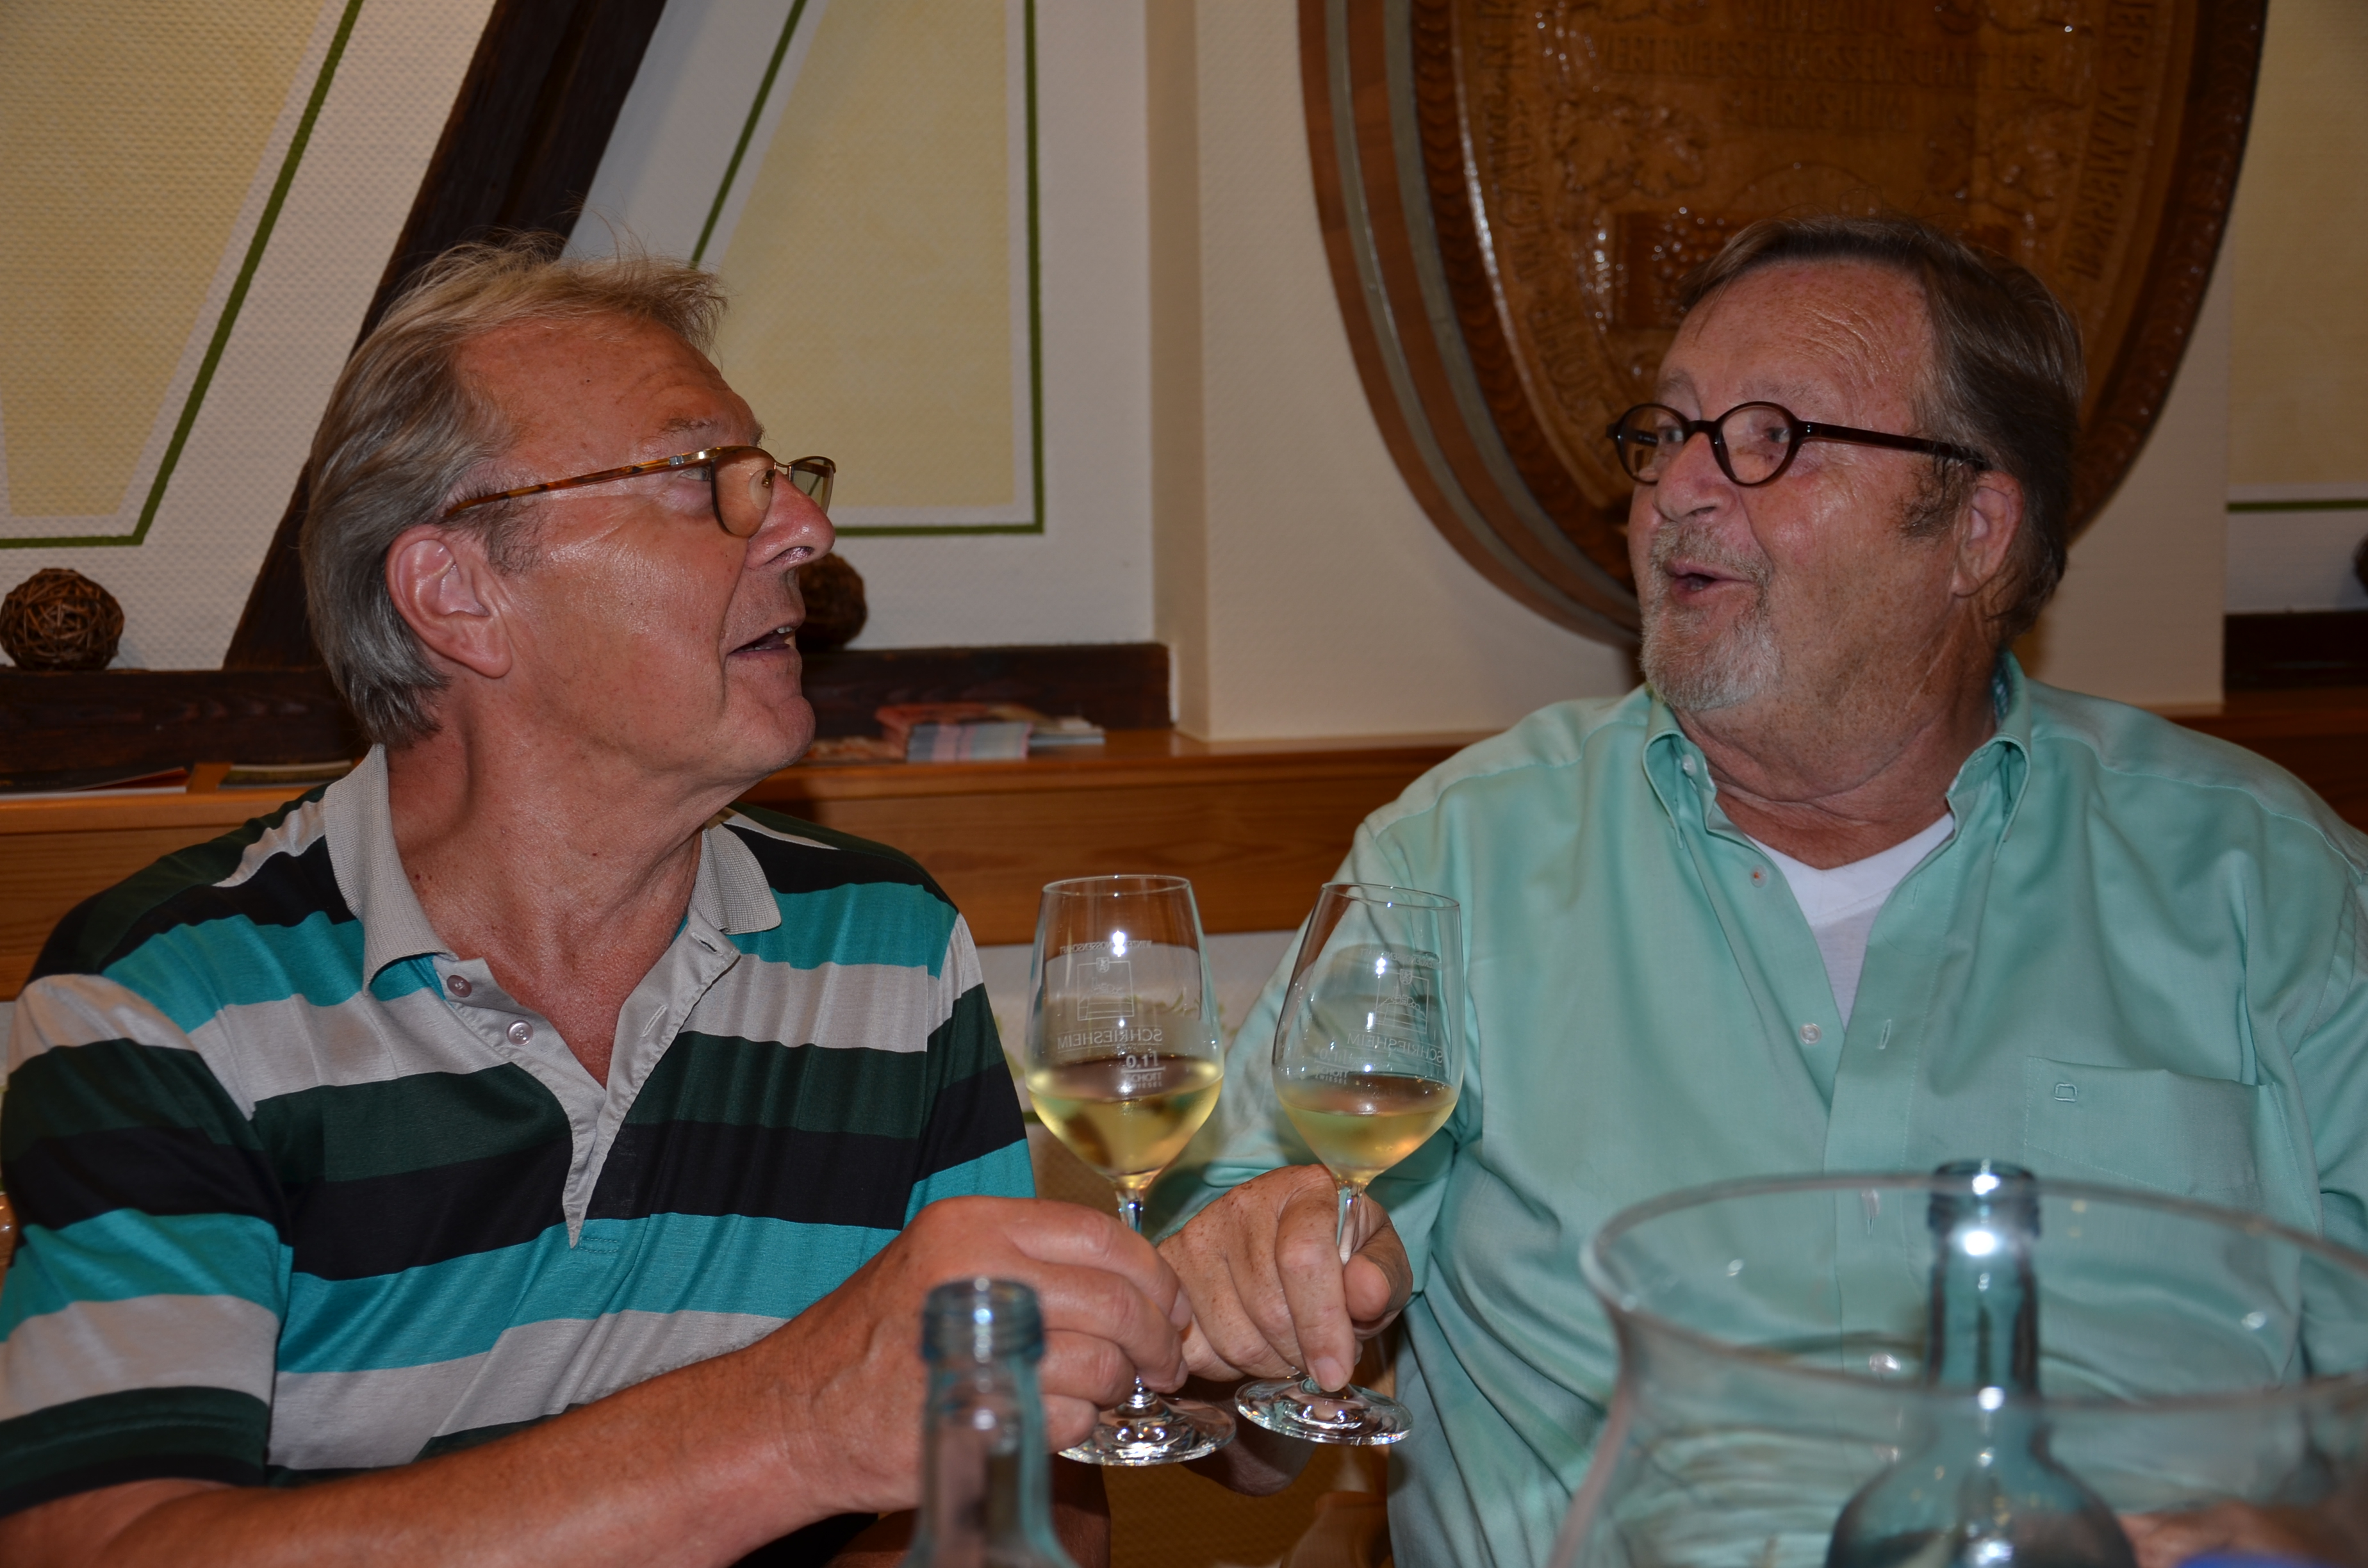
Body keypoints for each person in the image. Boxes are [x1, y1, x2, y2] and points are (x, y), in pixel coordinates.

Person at [1157, 215, 2368, 1564]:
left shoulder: (2272, 890)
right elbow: (1237, 1435)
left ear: (1974, 529)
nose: (1680, 488)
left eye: (1770, 437)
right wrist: (1237, 1311)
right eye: (1668, 431)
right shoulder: (1456, 863)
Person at [0, 243, 1191, 1567]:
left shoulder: (884, 946)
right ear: (458, 596)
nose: (803, 530)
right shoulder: (167, 997)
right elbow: (106, 1545)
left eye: (775, 475)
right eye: (699, 478)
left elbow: (1013, 1507)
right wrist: (790, 1426)